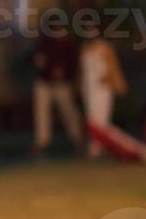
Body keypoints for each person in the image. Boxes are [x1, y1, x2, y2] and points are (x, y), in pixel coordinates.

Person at [31, 30, 83, 158]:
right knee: (41, 112)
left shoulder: (67, 43)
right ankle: (42, 142)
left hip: (62, 83)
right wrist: (46, 70)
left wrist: (65, 73)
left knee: (68, 111)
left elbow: (74, 62)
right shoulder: (43, 42)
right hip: (44, 82)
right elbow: (38, 62)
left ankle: (78, 139)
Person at [80, 26, 128, 158]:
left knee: (102, 118)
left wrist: (114, 81)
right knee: (92, 118)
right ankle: (97, 146)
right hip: (90, 90)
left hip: (103, 88)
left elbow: (113, 66)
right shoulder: (85, 49)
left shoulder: (105, 47)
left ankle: (99, 147)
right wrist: (83, 87)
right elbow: (83, 72)